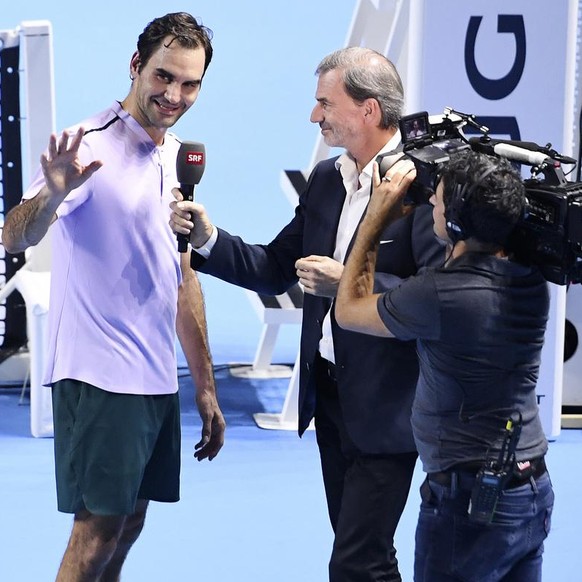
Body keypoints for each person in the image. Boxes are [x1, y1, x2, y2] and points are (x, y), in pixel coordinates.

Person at [170, 47, 444, 581]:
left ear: (368, 110)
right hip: (333, 398)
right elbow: (275, 267)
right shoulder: (326, 178)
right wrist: (207, 237)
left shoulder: (423, 188)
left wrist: (353, 282)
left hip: (390, 410)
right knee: (362, 553)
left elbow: (436, 298)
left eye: (324, 104)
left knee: (355, 561)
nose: (314, 116)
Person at [1, 12, 225, 582]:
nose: (173, 94)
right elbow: (14, 234)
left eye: (189, 83)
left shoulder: (178, 157)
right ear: (136, 66)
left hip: (154, 379)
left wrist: (203, 389)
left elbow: (183, 280)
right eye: (163, 76)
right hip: (98, 378)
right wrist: (51, 195)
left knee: (129, 526)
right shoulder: (89, 146)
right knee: (96, 535)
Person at [335, 150, 554, 581]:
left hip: (469, 503)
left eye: (436, 201)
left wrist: (375, 219)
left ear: (455, 222)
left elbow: (348, 308)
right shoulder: (531, 279)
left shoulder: (439, 295)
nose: (430, 205)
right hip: (532, 489)